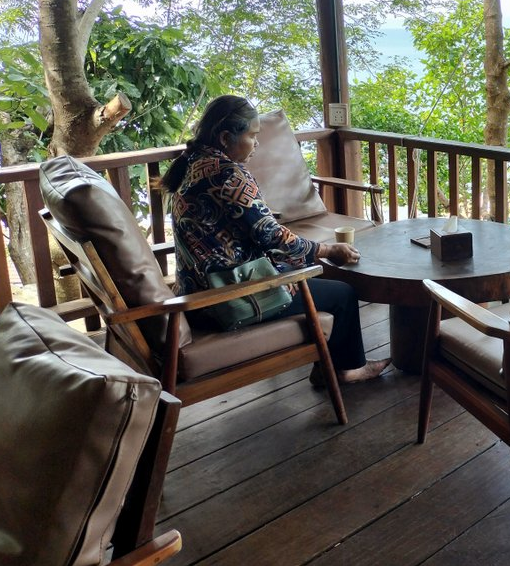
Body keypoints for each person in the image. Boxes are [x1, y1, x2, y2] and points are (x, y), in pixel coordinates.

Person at [160, 95, 389, 384]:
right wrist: (328, 249)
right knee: (342, 294)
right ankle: (348, 370)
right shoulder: (228, 174)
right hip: (227, 299)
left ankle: (327, 367)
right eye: (253, 136)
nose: (257, 144)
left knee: (301, 271)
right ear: (226, 137)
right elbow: (272, 237)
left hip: (196, 292)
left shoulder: (192, 165)